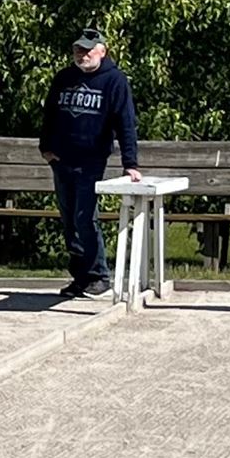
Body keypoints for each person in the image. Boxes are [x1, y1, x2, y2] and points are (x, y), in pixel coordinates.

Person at [38, 27, 143, 299]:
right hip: (61, 160)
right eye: (78, 50)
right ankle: (80, 277)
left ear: (102, 51)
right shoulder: (64, 78)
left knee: (85, 218)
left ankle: (98, 275)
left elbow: (126, 123)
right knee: (69, 220)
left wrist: (130, 163)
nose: (82, 55)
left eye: (87, 50)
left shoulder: (114, 80)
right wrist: (46, 149)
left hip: (91, 161)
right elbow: (49, 114)